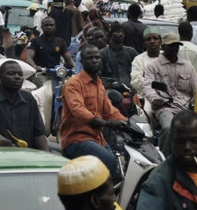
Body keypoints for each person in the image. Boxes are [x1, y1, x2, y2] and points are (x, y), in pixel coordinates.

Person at [61, 44, 127, 183]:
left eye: (97, 57)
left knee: (118, 174)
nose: (94, 60)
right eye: (90, 58)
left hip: (97, 138)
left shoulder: (99, 84)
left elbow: (109, 111)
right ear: (82, 61)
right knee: (109, 162)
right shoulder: (74, 84)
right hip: (76, 139)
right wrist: (104, 123)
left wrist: (128, 123)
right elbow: (78, 110)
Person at [143, 33, 197, 156]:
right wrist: (155, 98)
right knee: (168, 127)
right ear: (163, 47)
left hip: (184, 107)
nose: (175, 48)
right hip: (164, 107)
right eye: (171, 46)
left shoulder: (187, 66)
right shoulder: (153, 66)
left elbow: (196, 89)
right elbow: (147, 86)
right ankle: (165, 160)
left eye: (177, 45)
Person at [0, 60, 49, 150]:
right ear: (0, 78)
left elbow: (39, 133)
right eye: (11, 73)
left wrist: (46, 155)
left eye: (20, 74)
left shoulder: (29, 99)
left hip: (25, 157)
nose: (17, 77)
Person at [100, 22, 138, 87]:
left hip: (130, 88)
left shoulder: (131, 52)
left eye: (122, 32)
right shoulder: (103, 53)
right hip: (110, 89)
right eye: (117, 32)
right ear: (111, 34)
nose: (120, 34)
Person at [130, 29, 162, 103]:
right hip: (145, 98)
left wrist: (147, 78)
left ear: (160, 41)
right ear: (144, 43)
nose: (152, 41)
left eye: (155, 38)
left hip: (167, 96)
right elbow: (136, 82)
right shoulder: (138, 60)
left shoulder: (167, 57)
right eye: (148, 39)